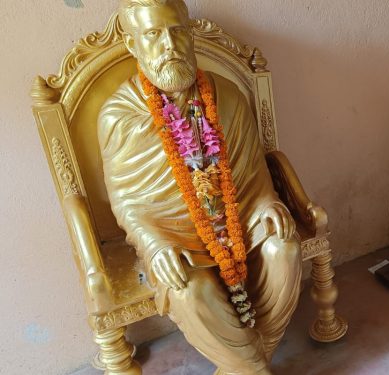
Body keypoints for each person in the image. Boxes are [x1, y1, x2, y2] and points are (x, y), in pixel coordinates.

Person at [98, 1, 302, 373]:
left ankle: (246, 364)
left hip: (239, 218)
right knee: (189, 292)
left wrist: (267, 204)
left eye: (176, 31)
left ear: (189, 34)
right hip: (172, 235)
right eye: (153, 34)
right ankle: (255, 368)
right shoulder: (119, 114)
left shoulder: (226, 94)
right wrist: (155, 245)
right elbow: (127, 202)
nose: (169, 45)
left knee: (283, 249)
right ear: (132, 45)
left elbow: (254, 174)